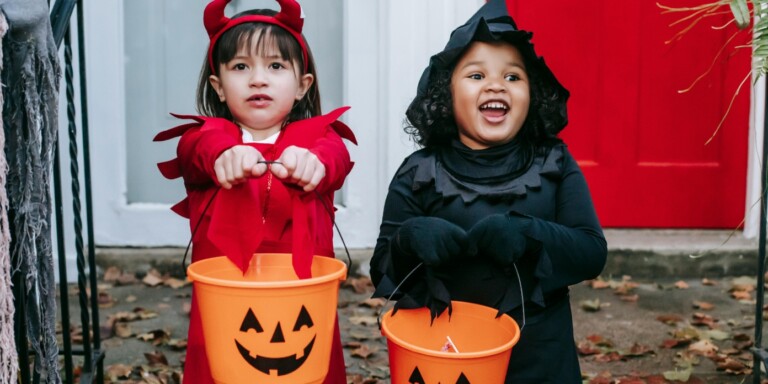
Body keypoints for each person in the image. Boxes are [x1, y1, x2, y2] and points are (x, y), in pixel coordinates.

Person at [369, 0, 607, 382]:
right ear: (447, 94)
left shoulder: (554, 162)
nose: (496, 84)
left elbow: (591, 253)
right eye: (476, 76)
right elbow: (382, 271)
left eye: (513, 77)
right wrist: (408, 240)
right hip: (445, 357)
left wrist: (530, 233)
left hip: (541, 355)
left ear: (531, 95)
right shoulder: (420, 172)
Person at [153, 1, 356, 383]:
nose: (258, 79)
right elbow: (196, 152)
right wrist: (223, 157)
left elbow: (336, 159)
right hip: (228, 310)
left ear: (302, 85)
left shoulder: (318, 142)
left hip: (300, 312)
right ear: (218, 85)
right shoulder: (206, 139)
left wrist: (317, 163)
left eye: (276, 66)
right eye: (240, 67)